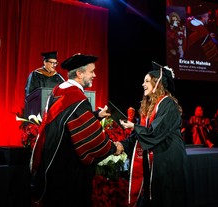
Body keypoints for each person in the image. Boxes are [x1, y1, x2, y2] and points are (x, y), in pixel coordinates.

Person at [29, 53, 124, 207]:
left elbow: (67, 121)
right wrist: (114, 148)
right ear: (79, 73)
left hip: (52, 165)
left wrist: (96, 115)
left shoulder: (59, 90)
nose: (95, 75)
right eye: (91, 71)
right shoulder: (76, 98)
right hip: (68, 173)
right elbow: (90, 141)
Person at [119, 62, 189, 207]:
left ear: (157, 84)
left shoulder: (168, 104)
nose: (143, 84)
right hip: (155, 159)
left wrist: (134, 126)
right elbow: (140, 134)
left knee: (167, 197)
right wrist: (120, 145)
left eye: (147, 81)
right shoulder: (149, 108)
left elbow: (154, 132)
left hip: (168, 159)